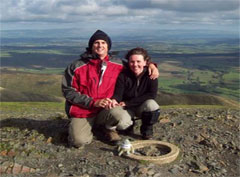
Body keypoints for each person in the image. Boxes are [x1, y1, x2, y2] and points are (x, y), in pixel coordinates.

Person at [62, 30, 159, 148]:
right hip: (83, 110)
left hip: (106, 109)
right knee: (78, 142)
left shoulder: (118, 64)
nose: (100, 45)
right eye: (96, 42)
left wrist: (152, 65)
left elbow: (135, 64)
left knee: (123, 117)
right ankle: (91, 128)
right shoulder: (76, 66)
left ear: (108, 46)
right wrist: (93, 102)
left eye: (103, 42)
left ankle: (107, 128)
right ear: (91, 46)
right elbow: (68, 91)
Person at [98, 47, 160, 140]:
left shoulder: (151, 75)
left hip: (138, 106)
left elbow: (151, 95)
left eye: (138, 61)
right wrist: (115, 100)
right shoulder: (123, 75)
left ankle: (147, 129)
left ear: (145, 62)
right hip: (126, 108)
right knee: (123, 125)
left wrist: (129, 103)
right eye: (132, 62)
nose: (135, 64)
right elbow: (118, 93)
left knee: (152, 105)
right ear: (128, 62)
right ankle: (112, 127)